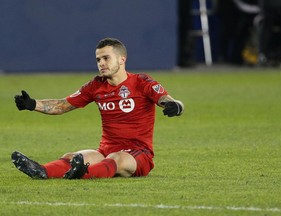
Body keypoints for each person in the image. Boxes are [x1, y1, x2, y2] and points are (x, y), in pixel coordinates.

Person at [12, 38, 184, 180]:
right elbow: (63, 105)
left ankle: (85, 173)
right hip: (105, 151)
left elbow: (165, 99)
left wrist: (174, 106)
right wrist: (33, 104)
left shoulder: (142, 82)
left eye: (106, 58)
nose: (101, 63)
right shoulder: (96, 85)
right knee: (74, 157)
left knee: (117, 159)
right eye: (98, 60)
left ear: (122, 59)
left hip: (138, 154)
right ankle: (41, 171)